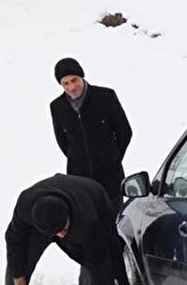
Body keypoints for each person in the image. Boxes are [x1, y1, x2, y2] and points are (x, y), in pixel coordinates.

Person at [2, 174, 128, 285]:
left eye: (63, 230)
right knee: (21, 259)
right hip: (46, 210)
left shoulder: (88, 222)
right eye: (55, 233)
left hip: (93, 199)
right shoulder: (26, 204)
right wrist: (19, 284)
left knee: (93, 269)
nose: (60, 236)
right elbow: (15, 243)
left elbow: (100, 264)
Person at [49, 57, 133, 208]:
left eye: (74, 80)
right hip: (79, 182)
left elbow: (124, 132)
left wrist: (112, 159)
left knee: (113, 223)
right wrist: (78, 159)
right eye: (65, 83)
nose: (71, 87)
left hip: (110, 179)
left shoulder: (106, 97)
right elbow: (62, 141)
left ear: (81, 76)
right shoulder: (57, 107)